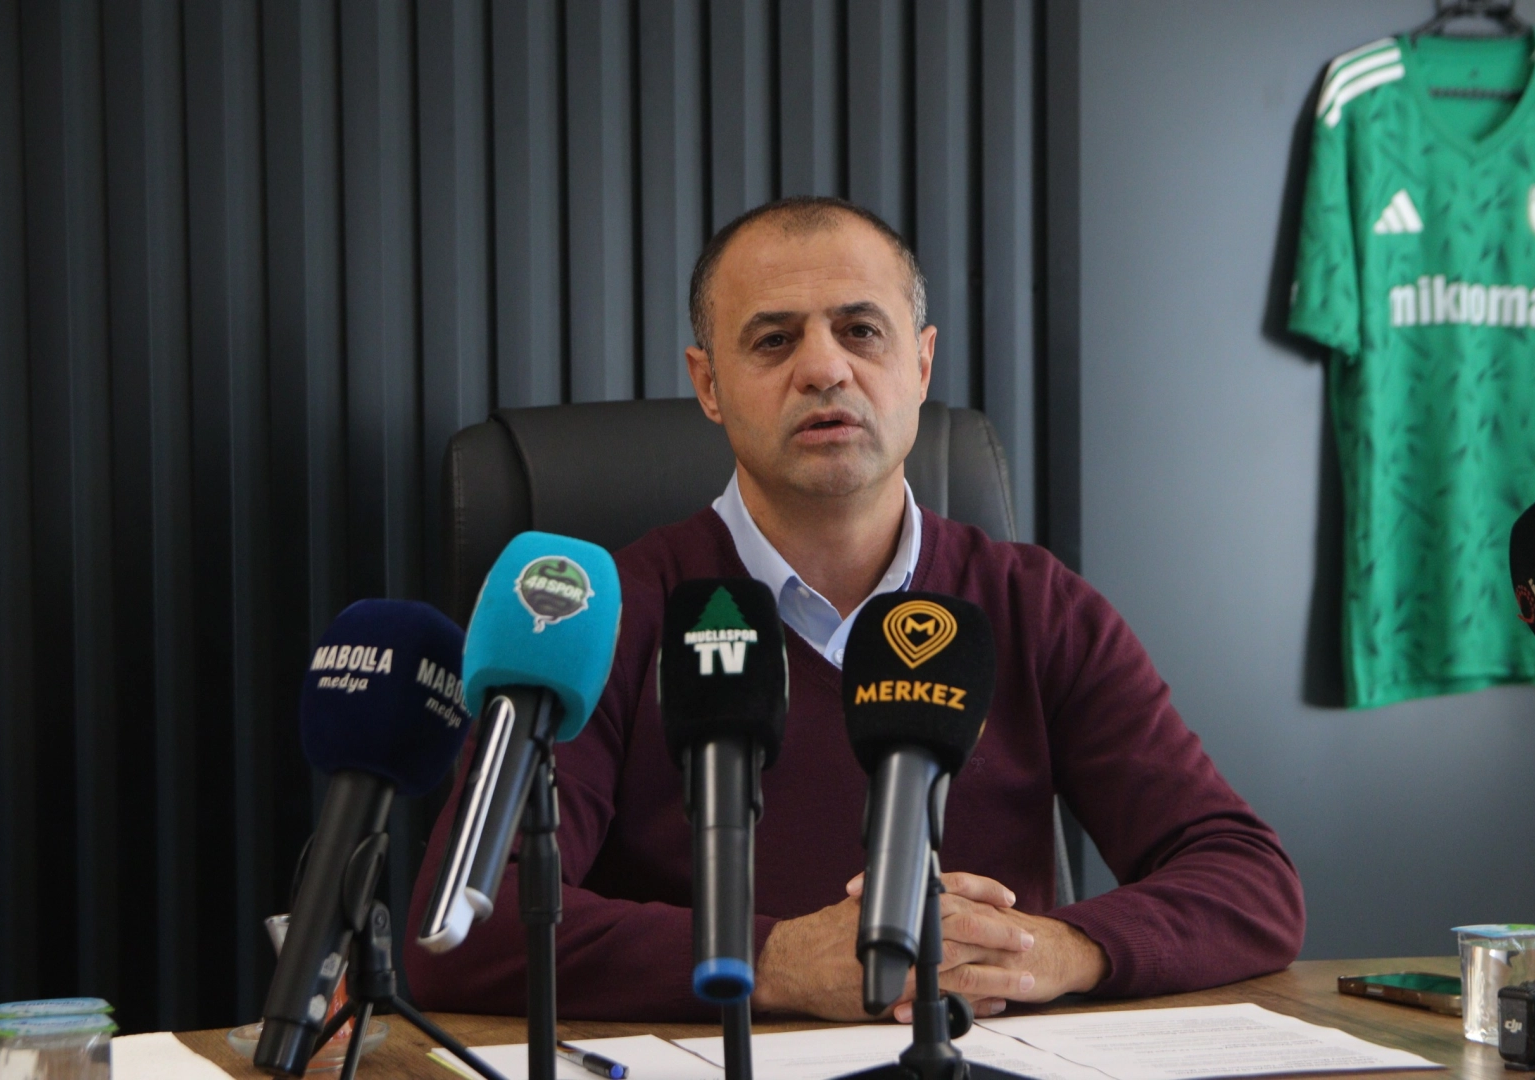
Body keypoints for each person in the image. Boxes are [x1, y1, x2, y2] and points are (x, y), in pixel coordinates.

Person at [404, 196, 1305, 1022]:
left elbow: (1248, 881)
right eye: (772, 341)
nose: (824, 368)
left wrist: (1055, 950)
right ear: (708, 385)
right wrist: (774, 961)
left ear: (920, 363)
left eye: (861, 331)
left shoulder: (1036, 606)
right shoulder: (602, 618)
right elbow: (461, 929)